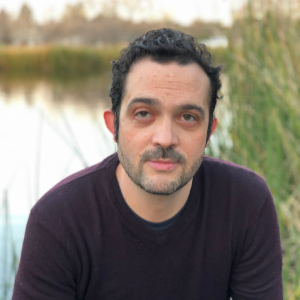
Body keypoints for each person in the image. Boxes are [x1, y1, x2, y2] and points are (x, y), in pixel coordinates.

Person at [13, 28, 282, 300]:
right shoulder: (58, 221)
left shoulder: (246, 203)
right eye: (143, 114)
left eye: (187, 117)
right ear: (113, 126)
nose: (165, 139)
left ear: (209, 133)